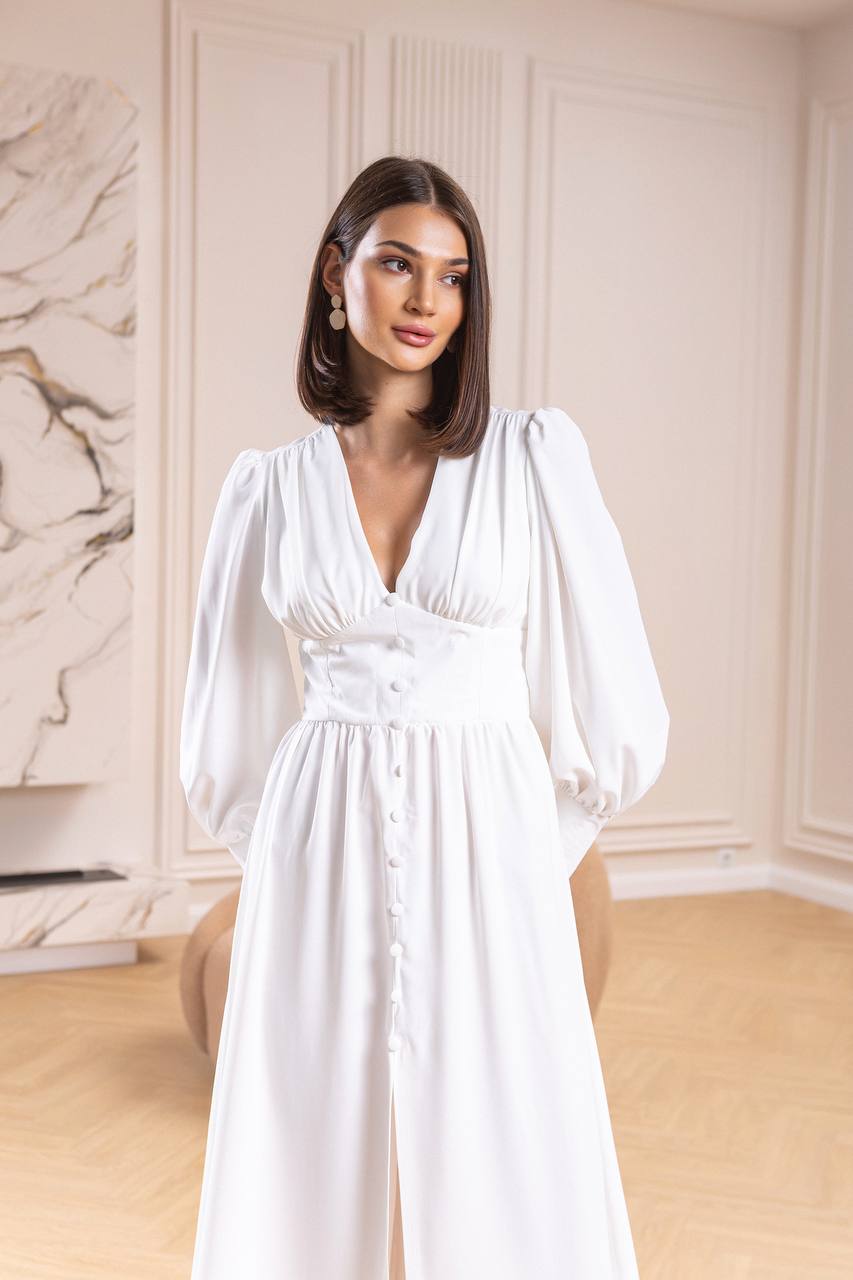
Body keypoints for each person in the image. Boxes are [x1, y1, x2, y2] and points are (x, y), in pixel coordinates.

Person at [179, 154, 670, 1280]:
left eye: (451, 276)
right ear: (334, 273)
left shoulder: (534, 457)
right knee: (323, 1121)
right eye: (397, 264)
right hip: (318, 850)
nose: (423, 301)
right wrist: (291, 859)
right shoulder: (269, 486)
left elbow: (617, 694)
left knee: (495, 1122)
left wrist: (522, 848)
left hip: (495, 840)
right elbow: (228, 714)